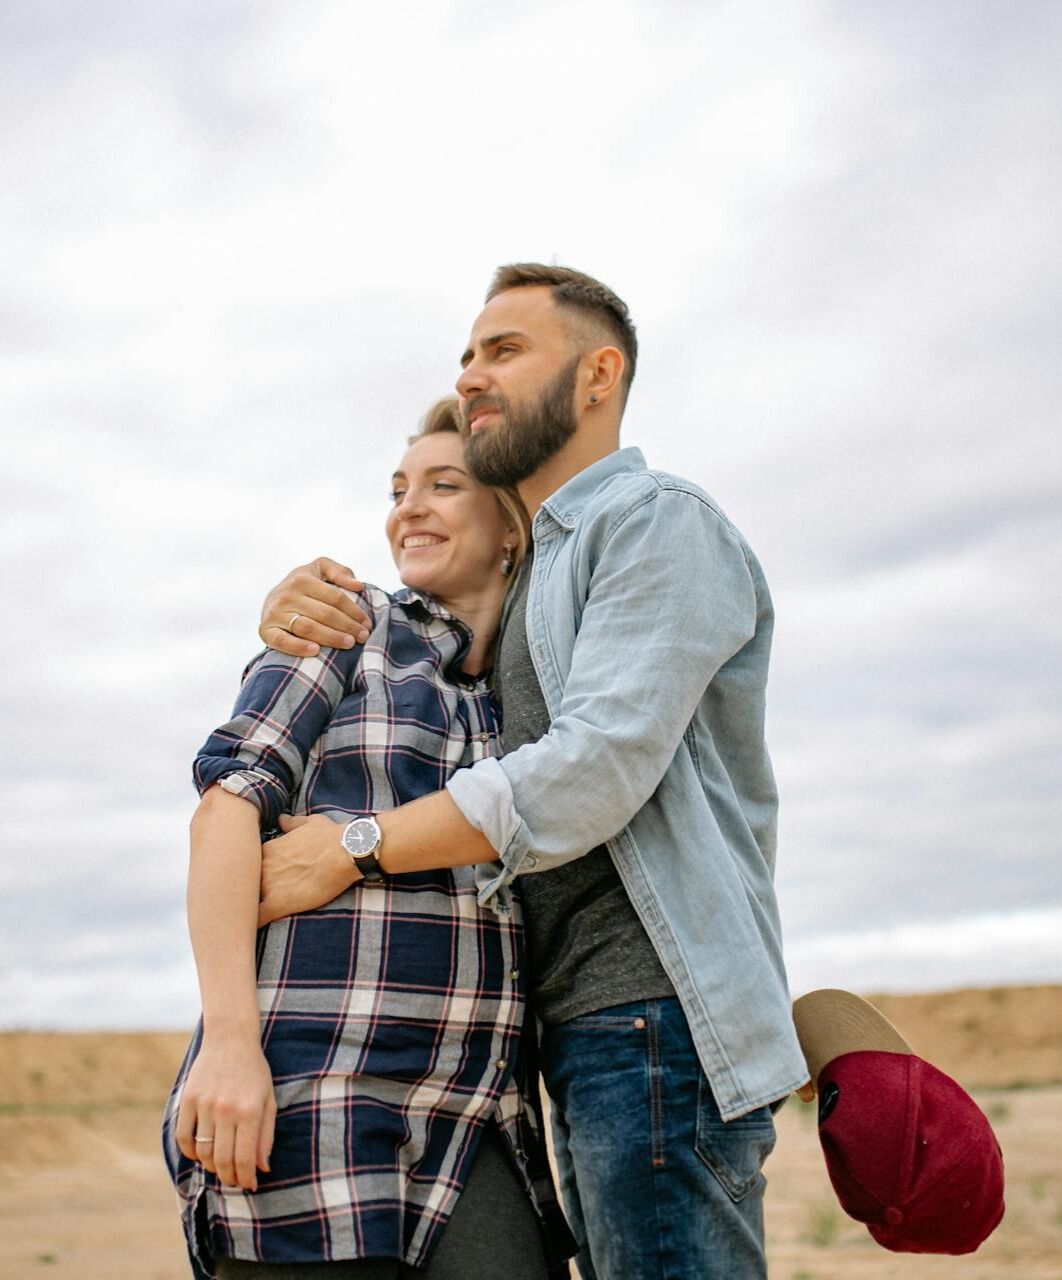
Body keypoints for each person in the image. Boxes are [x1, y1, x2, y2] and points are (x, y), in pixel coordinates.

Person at [254, 264, 811, 1279]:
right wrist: (302, 596)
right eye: (466, 355)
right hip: (581, 1031)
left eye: (503, 350)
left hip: (654, 1017)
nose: (472, 374)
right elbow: (447, 591)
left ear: (599, 375)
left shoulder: (655, 521)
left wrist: (355, 847)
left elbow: (596, 765)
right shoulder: (539, 570)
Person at [162, 401, 574, 1280]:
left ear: (512, 524)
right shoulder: (348, 628)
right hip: (313, 1088)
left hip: (478, 1119)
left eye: (443, 485)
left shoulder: (541, 694)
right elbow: (228, 804)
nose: (407, 509)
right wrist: (231, 1044)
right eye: (398, 490)